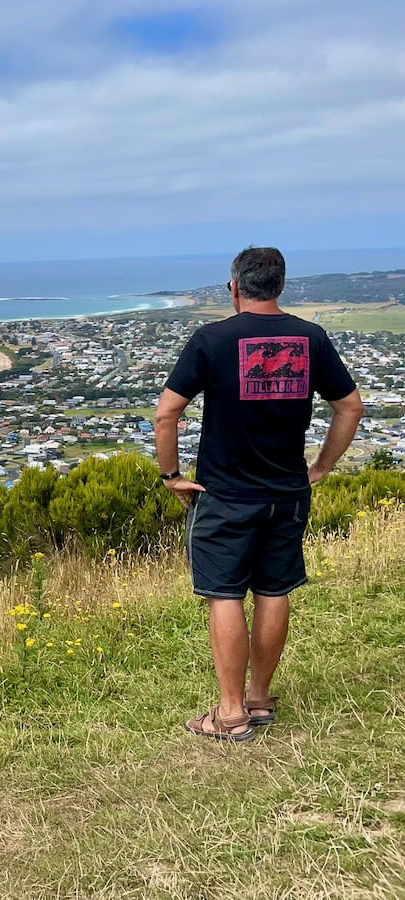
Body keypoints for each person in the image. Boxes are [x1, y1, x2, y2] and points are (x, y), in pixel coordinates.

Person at [154, 247, 363, 742]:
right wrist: (321, 467)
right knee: (274, 589)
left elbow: (166, 414)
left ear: (234, 288)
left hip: (225, 493)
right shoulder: (310, 337)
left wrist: (171, 476)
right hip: (288, 492)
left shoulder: (212, 339)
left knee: (225, 593)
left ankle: (230, 715)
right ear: (281, 287)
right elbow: (350, 407)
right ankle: (259, 698)